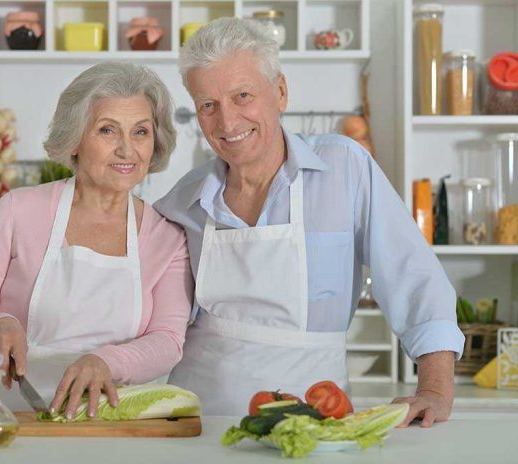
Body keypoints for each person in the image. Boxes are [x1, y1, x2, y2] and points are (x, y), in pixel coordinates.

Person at [154, 18, 465, 426]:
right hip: (198, 419)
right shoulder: (184, 199)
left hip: (319, 415)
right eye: (208, 105)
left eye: (242, 95)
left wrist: (435, 390)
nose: (227, 122)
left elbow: (415, 276)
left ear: (280, 92)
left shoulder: (343, 167)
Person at [0, 61, 193, 419]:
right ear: (74, 139)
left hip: (115, 426)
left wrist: (107, 360)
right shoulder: (17, 211)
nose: (127, 150)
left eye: (140, 132)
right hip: (12, 422)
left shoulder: (166, 236)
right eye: (108, 130)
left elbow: (168, 341)